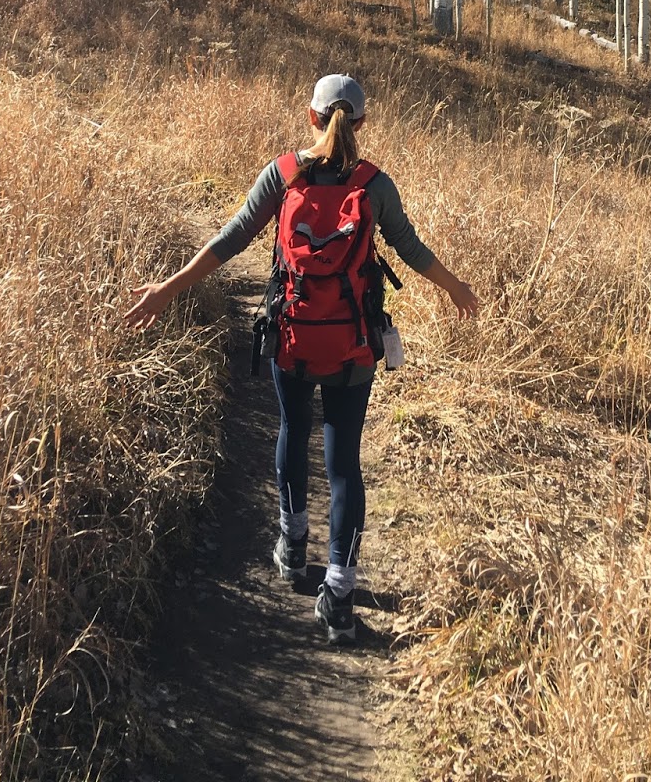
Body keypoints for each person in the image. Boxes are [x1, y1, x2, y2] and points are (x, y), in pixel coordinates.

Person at [123, 73, 479, 644]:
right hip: (354, 343)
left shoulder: (283, 174)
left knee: (293, 426)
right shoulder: (374, 185)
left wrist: (167, 289)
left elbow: (232, 238)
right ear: (361, 123)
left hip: (291, 336)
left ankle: (292, 546)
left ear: (311, 117)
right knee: (344, 463)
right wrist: (456, 287)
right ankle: (338, 593)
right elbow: (409, 248)